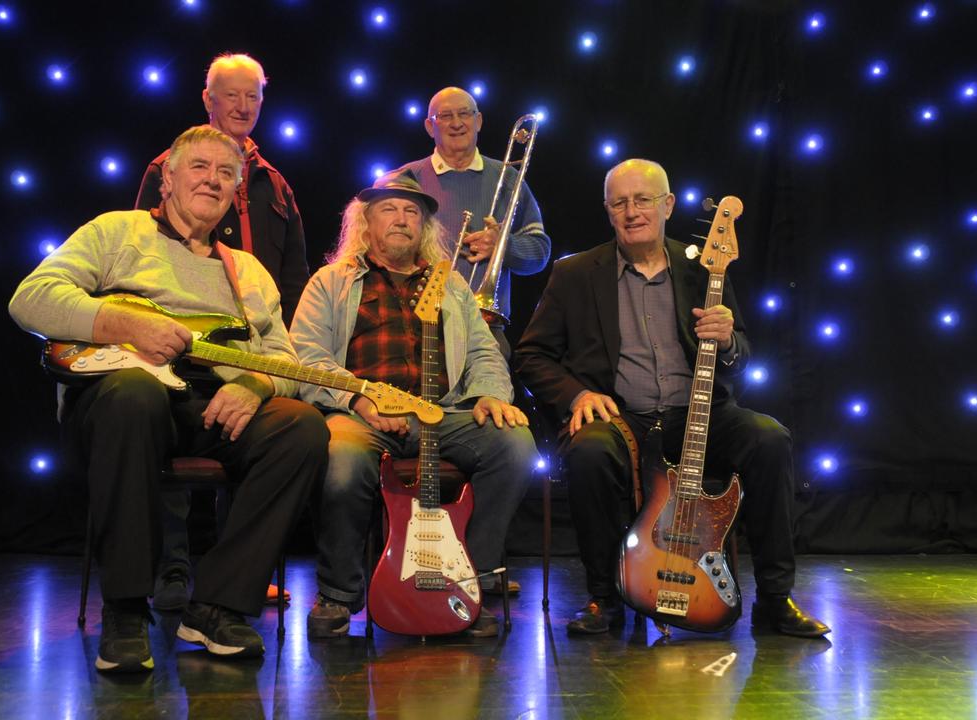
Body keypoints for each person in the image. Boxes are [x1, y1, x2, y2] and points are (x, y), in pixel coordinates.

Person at [10, 126, 327, 672]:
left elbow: (286, 358)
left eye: (226, 174)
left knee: (301, 428)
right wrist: (122, 323)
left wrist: (254, 385)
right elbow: (30, 298)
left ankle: (217, 605)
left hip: (210, 399)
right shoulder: (116, 231)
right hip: (121, 390)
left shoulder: (247, 269)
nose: (213, 180)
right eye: (200, 167)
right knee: (134, 397)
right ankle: (127, 610)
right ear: (167, 180)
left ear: (235, 192)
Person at [513, 159, 830, 638]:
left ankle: (775, 599)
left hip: (700, 412)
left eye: (643, 200)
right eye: (619, 202)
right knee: (588, 451)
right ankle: (605, 599)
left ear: (668, 206)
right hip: (622, 418)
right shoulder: (574, 274)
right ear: (607, 210)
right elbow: (531, 356)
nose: (631, 211)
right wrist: (576, 394)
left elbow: (741, 355)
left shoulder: (704, 267)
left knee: (770, 440)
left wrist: (727, 342)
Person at [289, 169, 536, 638]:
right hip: (361, 414)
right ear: (365, 221)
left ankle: (470, 581)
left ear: (424, 226)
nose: (401, 219)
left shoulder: (452, 284)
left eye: (412, 212)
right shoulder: (331, 282)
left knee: (516, 447)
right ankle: (339, 594)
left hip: (443, 412)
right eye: (389, 209)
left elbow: (484, 349)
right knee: (341, 462)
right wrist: (358, 398)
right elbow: (307, 357)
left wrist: (490, 395)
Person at [135, 52, 309, 611]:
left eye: (252, 96)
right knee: (161, 432)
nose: (242, 106)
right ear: (207, 100)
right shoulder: (169, 165)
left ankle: (240, 571)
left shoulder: (274, 183)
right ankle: (174, 567)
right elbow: (141, 252)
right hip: (178, 347)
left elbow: (295, 272)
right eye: (230, 95)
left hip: (251, 347)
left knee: (271, 434)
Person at [396, 86, 550, 359]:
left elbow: (539, 253)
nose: (456, 123)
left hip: (486, 330)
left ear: (478, 121)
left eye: (464, 114)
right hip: (415, 327)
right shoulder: (406, 178)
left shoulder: (508, 177)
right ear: (430, 127)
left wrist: (503, 246)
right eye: (445, 116)